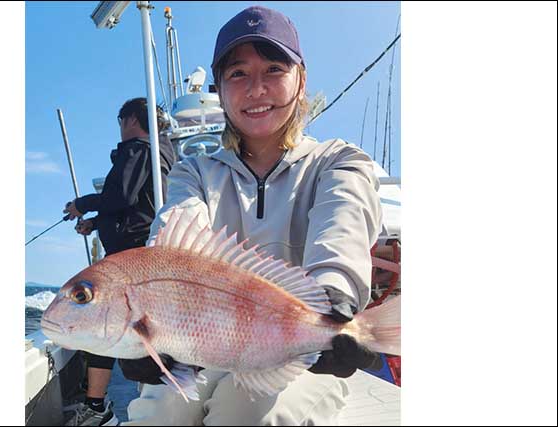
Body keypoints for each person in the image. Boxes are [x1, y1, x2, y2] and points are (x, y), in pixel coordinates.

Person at [118, 6, 385, 425]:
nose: (256, 88)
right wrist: (147, 328)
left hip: (299, 351)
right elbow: (172, 241)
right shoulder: (194, 173)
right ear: (221, 89)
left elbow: (342, 226)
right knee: (160, 414)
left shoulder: (337, 161)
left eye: (274, 69)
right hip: (206, 344)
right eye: (238, 74)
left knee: (246, 416)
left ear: (301, 80)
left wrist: (335, 301)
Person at [62, 97, 176, 426]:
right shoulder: (156, 151)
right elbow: (136, 203)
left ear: (129, 121)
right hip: (138, 250)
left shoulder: (138, 149)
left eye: (121, 122)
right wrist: (97, 223)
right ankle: (144, 403)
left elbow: (122, 196)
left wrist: (82, 204)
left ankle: (98, 408)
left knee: (100, 322)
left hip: (129, 255)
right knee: (128, 327)